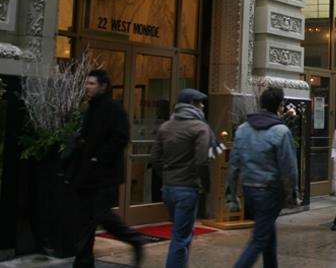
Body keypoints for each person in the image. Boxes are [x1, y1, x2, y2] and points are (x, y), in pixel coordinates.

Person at [67, 70, 145, 268]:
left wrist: (97, 158)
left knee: (102, 215)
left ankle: (134, 239)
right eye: (86, 83)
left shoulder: (113, 108)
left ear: (103, 86)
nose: (87, 87)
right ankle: (83, 262)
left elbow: (120, 138)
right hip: (87, 175)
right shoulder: (91, 108)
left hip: (103, 175)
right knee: (84, 220)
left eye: (91, 83)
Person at [151, 88, 224, 268]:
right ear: (192, 104)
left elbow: (155, 159)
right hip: (187, 188)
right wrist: (206, 186)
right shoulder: (200, 127)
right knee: (181, 237)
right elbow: (202, 161)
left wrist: (167, 176)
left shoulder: (166, 126)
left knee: (179, 232)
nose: (203, 106)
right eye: (200, 103)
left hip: (168, 188)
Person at [229, 87, 298, 268]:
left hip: (249, 189)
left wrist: (232, 194)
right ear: (280, 106)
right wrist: (292, 193)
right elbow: (289, 168)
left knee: (267, 231)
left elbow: (234, 164)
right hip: (270, 191)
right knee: (259, 239)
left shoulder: (243, 129)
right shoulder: (281, 131)